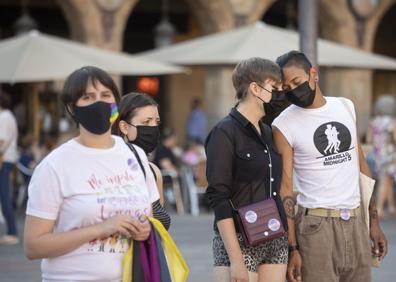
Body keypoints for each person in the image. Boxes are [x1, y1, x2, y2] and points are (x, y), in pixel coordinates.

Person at [24, 66, 159, 281]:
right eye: (88, 97)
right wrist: (100, 229)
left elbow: (151, 218)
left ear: (116, 103)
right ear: (72, 108)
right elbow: (33, 246)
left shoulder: (136, 155)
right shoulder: (54, 166)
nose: (99, 103)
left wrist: (145, 230)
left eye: (106, 95)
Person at [272, 50, 388, 282]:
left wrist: (373, 222)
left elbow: (361, 166)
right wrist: (293, 248)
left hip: (355, 222)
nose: (293, 91)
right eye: (286, 88)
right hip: (315, 227)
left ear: (313, 74)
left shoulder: (345, 106)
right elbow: (285, 187)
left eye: (297, 82)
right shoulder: (283, 124)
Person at [205, 57, 288, 282]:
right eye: (275, 88)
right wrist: (236, 259)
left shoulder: (269, 132)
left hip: (274, 235)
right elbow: (218, 196)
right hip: (239, 239)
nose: (280, 94)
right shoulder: (224, 132)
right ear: (255, 88)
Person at [117, 92, 171, 230]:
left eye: (156, 122)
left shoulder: (153, 171)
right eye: (146, 122)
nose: (153, 127)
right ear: (124, 127)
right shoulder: (110, 168)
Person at [367, 95, 396, 218]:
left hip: (377, 154)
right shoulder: (393, 122)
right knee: (385, 181)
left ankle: (391, 207)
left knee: (387, 180)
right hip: (389, 155)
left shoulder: (373, 122)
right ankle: (379, 208)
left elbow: (369, 140)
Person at [0, 92, 19, 245]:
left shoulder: (4, 116)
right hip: (7, 158)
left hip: (3, 158)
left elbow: (2, 140)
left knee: (5, 195)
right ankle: (12, 231)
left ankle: (12, 232)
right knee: (5, 194)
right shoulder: (8, 116)